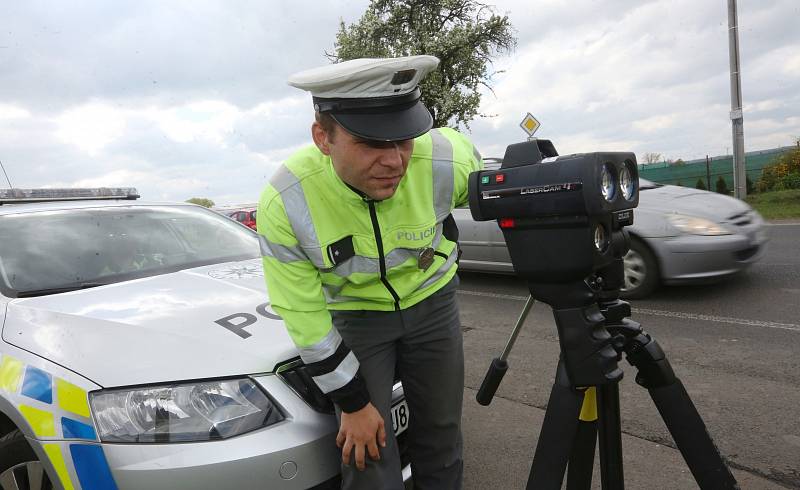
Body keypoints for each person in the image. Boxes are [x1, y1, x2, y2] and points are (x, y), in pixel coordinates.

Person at [257, 55, 482, 490]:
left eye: (404, 139)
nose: (395, 161)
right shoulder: (286, 200)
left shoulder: (445, 159)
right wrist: (354, 403)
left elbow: (507, 189)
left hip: (432, 305)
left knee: (441, 434)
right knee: (367, 452)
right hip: (358, 318)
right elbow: (305, 318)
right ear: (323, 138)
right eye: (371, 144)